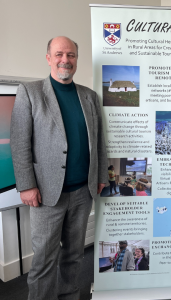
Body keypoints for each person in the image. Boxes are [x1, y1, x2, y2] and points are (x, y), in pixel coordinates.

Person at [10, 36, 107, 300]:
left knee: (74, 256)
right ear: (49, 58)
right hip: (46, 194)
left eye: (71, 55)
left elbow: (98, 141)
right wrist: (26, 185)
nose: (66, 60)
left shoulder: (89, 96)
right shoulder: (30, 92)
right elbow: (19, 143)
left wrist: (99, 176)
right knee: (43, 259)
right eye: (60, 54)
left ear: (77, 59)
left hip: (82, 193)